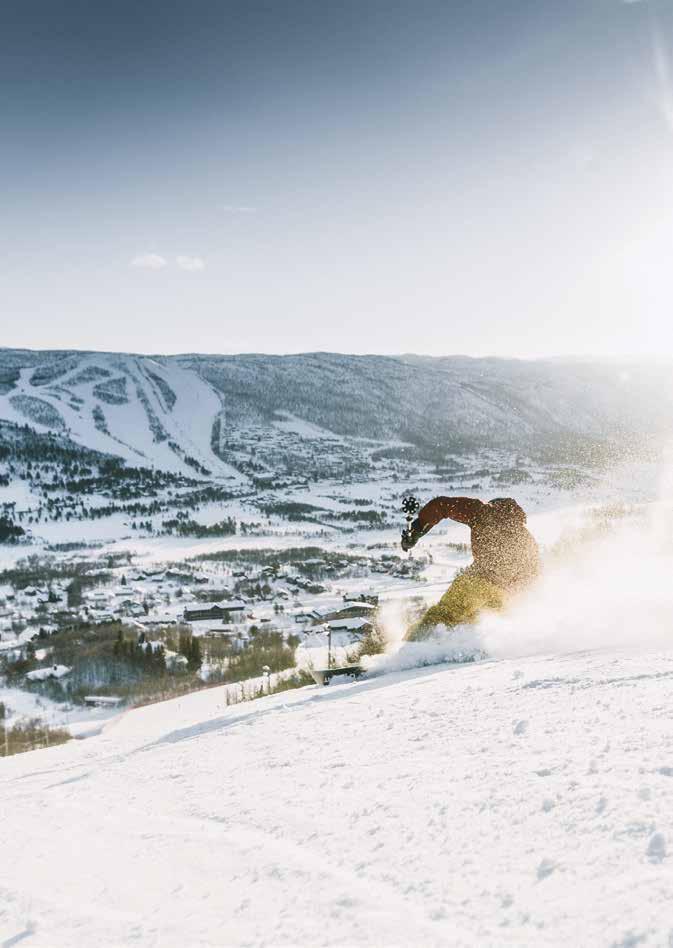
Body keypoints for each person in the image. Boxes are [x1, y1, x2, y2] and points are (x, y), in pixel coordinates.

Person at [401, 496, 539, 639]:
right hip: (503, 594)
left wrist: (417, 530)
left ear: (493, 505)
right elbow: (532, 574)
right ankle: (462, 649)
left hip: (477, 581)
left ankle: (411, 646)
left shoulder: (483, 511)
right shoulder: (526, 538)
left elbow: (441, 505)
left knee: (444, 615)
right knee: (474, 626)